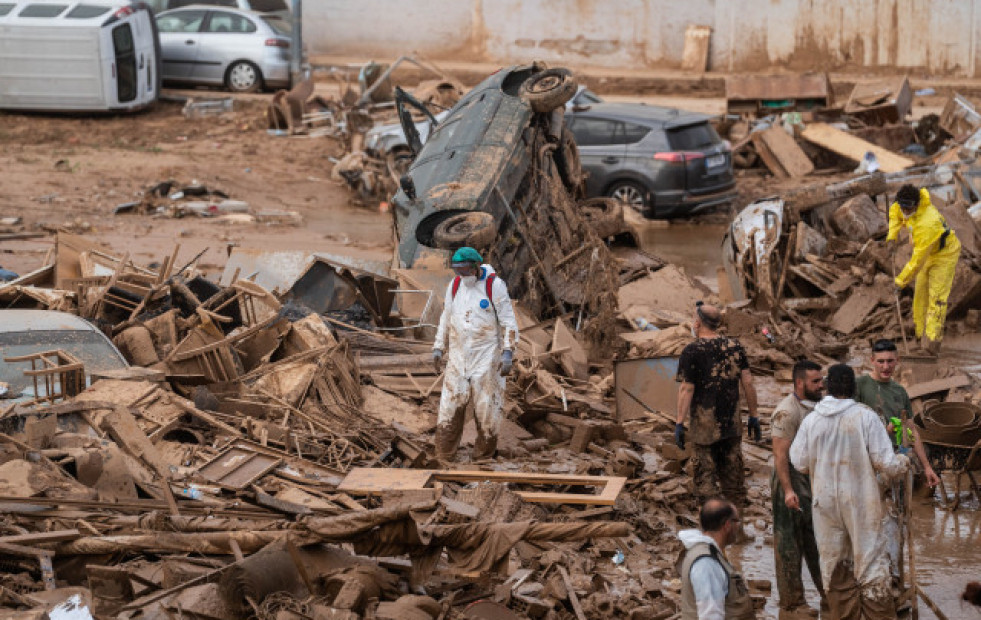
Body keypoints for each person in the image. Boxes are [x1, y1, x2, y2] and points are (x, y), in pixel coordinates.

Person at [790, 364, 910, 620]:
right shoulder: (865, 417)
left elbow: (798, 461)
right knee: (870, 563)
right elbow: (886, 464)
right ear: (853, 387)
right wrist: (904, 460)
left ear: (827, 386)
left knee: (834, 562)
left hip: (825, 503)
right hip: (861, 501)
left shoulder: (812, 419)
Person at [432, 247, 519, 462]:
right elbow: (446, 317)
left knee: (486, 408)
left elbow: (508, 321)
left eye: (464, 270)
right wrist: (438, 347)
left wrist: (508, 352)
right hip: (458, 357)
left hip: (486, 357)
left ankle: (483, 458)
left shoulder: (494, 286)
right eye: (457, 271)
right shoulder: (454, 287)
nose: (461, 275)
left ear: (475, 266)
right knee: (449, 407)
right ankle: (444, 457)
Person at [675, 302, 759, 505]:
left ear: (698, 323)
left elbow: (687, 389)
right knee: (735, 487)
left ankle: (712, 534)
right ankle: (737, 535)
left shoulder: (691, 351)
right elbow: (747, 382)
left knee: (706, 487)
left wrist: (679, 422)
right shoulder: (735, 347)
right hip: (731, 426)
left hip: (704, 430)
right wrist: (754, 416)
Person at [770, 360, 825, 613]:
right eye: (815, 381)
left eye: (821, 380)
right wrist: (788, 490)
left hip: (810, 479)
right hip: (789, 479)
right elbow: (780, 455)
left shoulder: (818, 406)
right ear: (800, 383)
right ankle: (792, 602)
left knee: (817, 538)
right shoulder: (787, 412)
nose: (821, 384)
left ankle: (827, 593)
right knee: (789, 541)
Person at [855, 339, 940, 488]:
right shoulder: (860, 385)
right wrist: (882, 432)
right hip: (867, 459)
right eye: (881, 362)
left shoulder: (899, 391)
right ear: (872, 361)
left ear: (897, 361)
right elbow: (849, 425)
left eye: (890, 361)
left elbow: (911, 430)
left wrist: (927, 467)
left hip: (895, 457)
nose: (886, 367)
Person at [887, 184, 961, 355]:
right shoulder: (901, 206)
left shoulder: (928, 222)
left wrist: (900, 281)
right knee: (920, 296)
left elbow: (917, 260)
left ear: (917, 204)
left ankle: (932, 344)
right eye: (903, 207)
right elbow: (894, 215)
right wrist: (892, 237)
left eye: (908, 208)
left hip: (944, 255)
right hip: (927, 252)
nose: (905, 211)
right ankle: (920, 337)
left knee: (937, 299)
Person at [678, 498, 756, 620]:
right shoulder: (706, 563)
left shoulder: (708, 551)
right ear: (727, 525)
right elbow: (710, 616)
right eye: (737, 521)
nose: (738, 527)